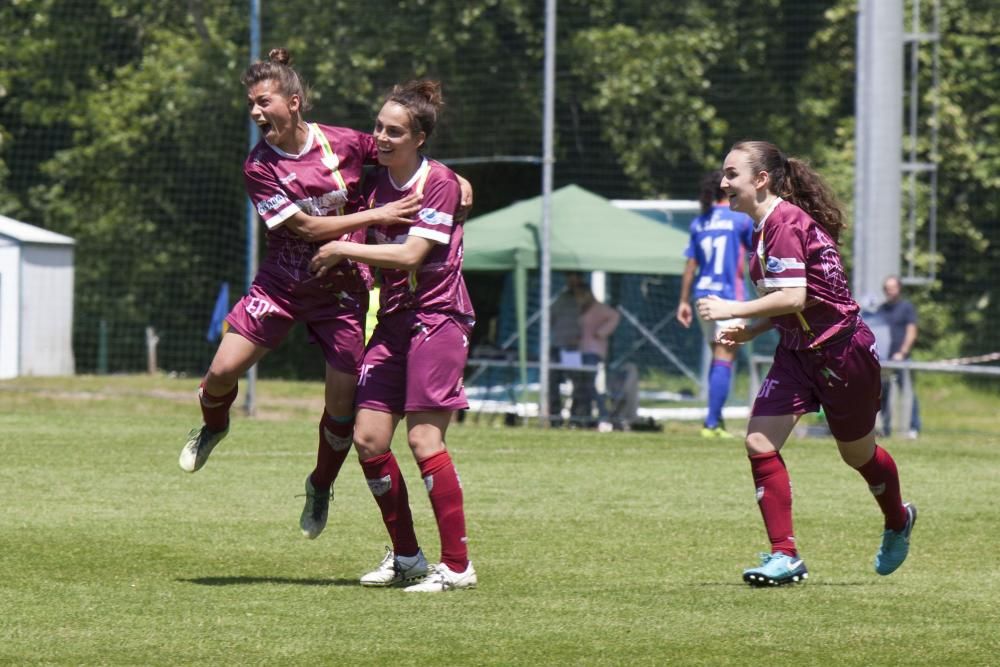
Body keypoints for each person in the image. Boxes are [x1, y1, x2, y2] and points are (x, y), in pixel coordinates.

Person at [177, 49, 469, 545]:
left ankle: (321, 484)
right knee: (223, 371)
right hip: (283, 282)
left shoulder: (346, 144)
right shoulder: (259, 166)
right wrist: (374, 218)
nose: (254, 112)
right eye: (250, 103)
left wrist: (459, 182)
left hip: (342, 289)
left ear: (293, 103)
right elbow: (308, 227)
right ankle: (213, 425)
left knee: (340, 407)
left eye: (262, 101)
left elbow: (412, 163)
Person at [696, 140, 916, 587]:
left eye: (732, 174)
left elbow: (793, 296)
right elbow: (798, 301)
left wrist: (732, 310)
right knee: (758, 441)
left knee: (857, 454)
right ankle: (785, 555)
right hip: (798, 352)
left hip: (842, 351)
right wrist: (752, 330)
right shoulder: (764, 227)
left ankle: (898, 519)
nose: (723, 183)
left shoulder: (782, 222)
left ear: (761, 180)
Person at [310, 79, 476, 592]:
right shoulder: (373, 183)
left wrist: (343, 249)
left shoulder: (440, 182)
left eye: (394, 131)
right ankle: (407, 557)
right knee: (368, 438)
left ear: (420, 138)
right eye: (378, 127)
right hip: (394, 322)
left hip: (438, 318)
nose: (381, 137)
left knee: (424, 438)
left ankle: (457, 566)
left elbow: (410, 256)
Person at [676, 170, 754, 438]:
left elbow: (690, 265)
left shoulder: (700, 222)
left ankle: (715, 419)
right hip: (729, 297)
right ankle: (710, 423)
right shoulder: (741, 219)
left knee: (717, 357)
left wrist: (683, 301)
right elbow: (756, 254)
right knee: (724, 358)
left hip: (702, 296)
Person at [878, 275, 921, 439]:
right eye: (887, 288)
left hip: (902, 359)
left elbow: (911, 331)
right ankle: (885, 428)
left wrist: (902, 353)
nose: (890, 291)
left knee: (908, 393)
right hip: (885, 360)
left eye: (893, 287)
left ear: (899, 289)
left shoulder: (906, 307)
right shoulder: (881, 309)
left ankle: (913, 427)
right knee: (884, 394)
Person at [574, 285, 621, 431]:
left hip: (593, 352)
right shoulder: (581, 309)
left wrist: (601, 332)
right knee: (581, 386)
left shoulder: (599, 308)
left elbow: (615, 316)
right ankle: (583, 417)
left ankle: (604, 416)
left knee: (590, 385)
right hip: (581, 351)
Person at [548, 272, 585, 424]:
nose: (571, 281)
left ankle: (576, 417)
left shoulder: (585, 298)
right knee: (552, 382)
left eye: (574, 277)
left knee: (577, 384)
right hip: (557, 346)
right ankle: (555, 417)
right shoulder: (561, 298)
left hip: (573, 349)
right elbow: (550, 318)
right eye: (569, 277)